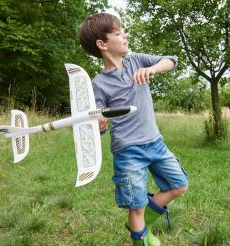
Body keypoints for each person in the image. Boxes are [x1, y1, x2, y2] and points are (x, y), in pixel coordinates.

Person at [79, 13, 188, 246]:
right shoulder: (98, 85)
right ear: (102, 44)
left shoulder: (136, 60)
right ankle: (140, 239)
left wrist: (154, 69)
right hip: (128, 150)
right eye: (118, 33)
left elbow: (171, 60)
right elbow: (96, 123)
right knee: (136, 204)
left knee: (179, 185)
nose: (125, 35)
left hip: (155, 142)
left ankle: (144, 225)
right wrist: (99, 125)